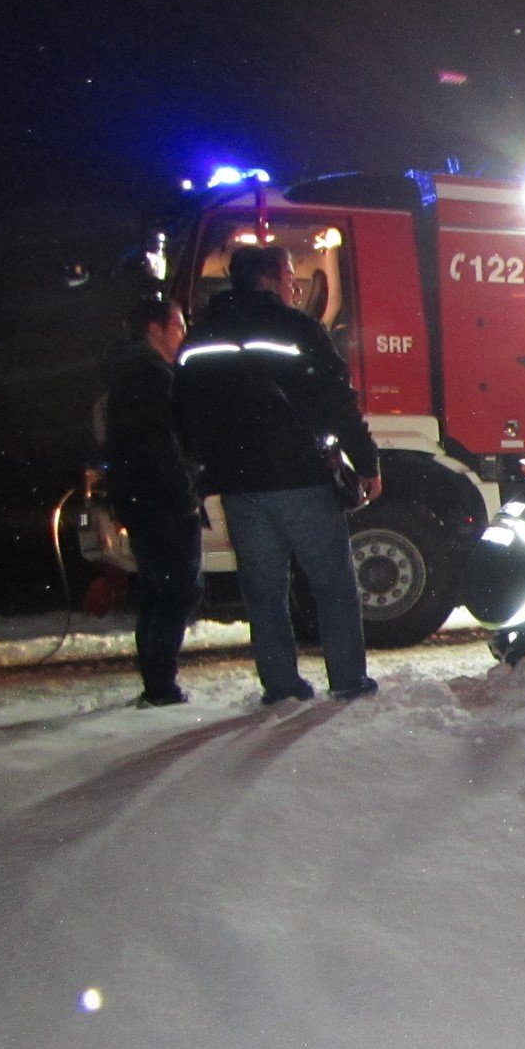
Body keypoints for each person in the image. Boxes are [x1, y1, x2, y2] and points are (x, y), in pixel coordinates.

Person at [175, 244, 382, 705]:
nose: (295, 286)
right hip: (300, 476)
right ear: (269, 278)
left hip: (238, 486)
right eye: (290, 275)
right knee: (331, 585)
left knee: (263, 592)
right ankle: (348, 679)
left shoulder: (200, 338)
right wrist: (366, 462)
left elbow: (184, 414)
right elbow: (337, 400)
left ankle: (281, 685)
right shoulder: (297, 329)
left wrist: (205, 467)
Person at [99, 295, 201, 706]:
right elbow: (166, 444)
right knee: (177, 589)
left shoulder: (127, 374)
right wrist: (187, 490)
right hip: (165, 501)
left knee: (159, 589)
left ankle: (156, 679)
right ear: (155, 329)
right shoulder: (154, 377)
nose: (183, 334)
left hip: (140, 499)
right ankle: (161, 685)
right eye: (178, 326)